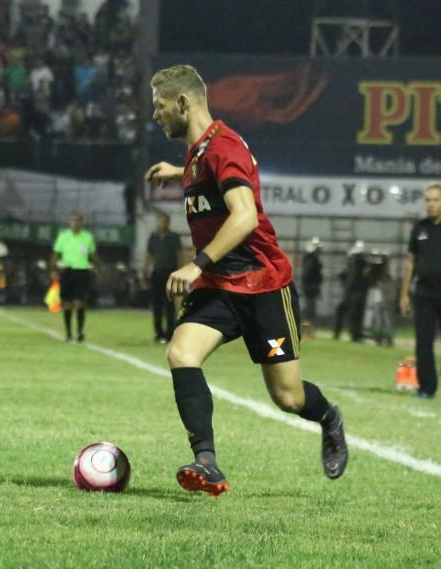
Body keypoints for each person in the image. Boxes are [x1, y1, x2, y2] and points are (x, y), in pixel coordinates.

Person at [145, 65, 347, 496]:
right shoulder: (199, 153)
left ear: (182, 102)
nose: (155, 115)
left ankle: (328, 416)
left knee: (288, 398)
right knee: (181, 353)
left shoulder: (225, 147)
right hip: (219, 287)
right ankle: (207, 461)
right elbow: (210, 184)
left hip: (262, 284)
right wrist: (176, 171)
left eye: (159, 106)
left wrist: (196, 263)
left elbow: (245, 216)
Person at [399, 184, 441, 400]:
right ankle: (427, 387)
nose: (431, 204)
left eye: (436, 200)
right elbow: (410, 262)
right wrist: (405, 293)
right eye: (428, 200)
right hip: (424, 294)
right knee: (423, 342)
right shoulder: (419, 228)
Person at [50, 212, 98, 343]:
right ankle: (68, 333)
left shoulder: (87, 237)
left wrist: (98, 266)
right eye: (72, 220)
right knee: (66, 304)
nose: (75, 223)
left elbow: (93, 254)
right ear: (69, 222)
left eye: (77, 221)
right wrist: (54, 269)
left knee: (80, 303)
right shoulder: (63, 236)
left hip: (82, 272)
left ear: (82, 223)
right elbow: (56, 254)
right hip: (67, 271)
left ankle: (80, 332)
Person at [141, 212, 182, 343]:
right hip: (157, 273)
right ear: (158, 221)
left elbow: (179, 255)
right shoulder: (153, 237)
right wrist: (144, 271)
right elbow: (148, 255)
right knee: (157, 305)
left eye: (165, 221)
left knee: (170, 305)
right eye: (161, 221)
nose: (163, 223)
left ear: (168, 222)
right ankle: (159, 333)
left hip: (171, 273)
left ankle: (170, 333)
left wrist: (181, 272)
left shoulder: (174, 237)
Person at [300, 237, 323, 326]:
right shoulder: (310, 259)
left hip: (311, 286)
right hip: (310, 286)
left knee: (310, 305)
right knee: (309, 305)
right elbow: (308, 273)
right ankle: (306, 322)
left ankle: (308, 322)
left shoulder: (311, 258)